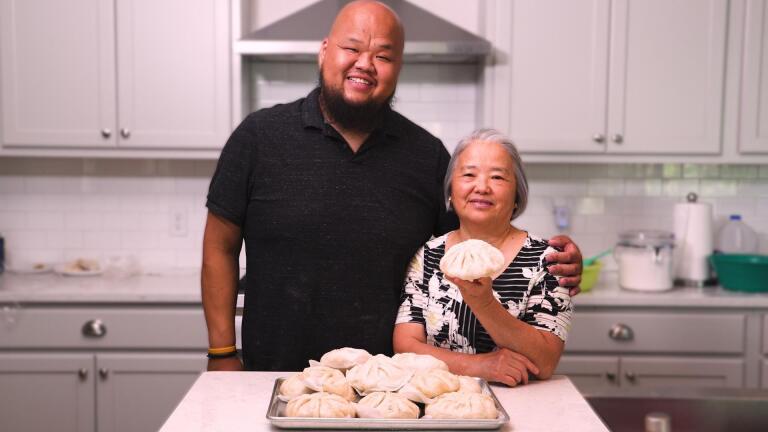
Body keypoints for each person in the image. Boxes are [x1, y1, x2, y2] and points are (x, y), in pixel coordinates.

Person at [202, 0, 583, 372]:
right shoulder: (259, 137)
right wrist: (221, 352)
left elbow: (471, 245)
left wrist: (553, 262)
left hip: (392, 385)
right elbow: (219, 247)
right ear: (324, 51)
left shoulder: (426, 155)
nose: (365, 64)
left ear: (398, 68)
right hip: (274, 372)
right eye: (352, 48)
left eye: (383, 56)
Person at [393, 128, 573, 387]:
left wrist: (485, 304)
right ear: (450, 190)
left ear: (517, 195)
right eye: (469, 174)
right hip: (441, 400)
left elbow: (545, 362)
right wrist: (480, 366)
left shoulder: (548, 261)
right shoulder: (428, 256)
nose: (482, 187)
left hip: (521, 402)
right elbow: (406, 347)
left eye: (497, 177)